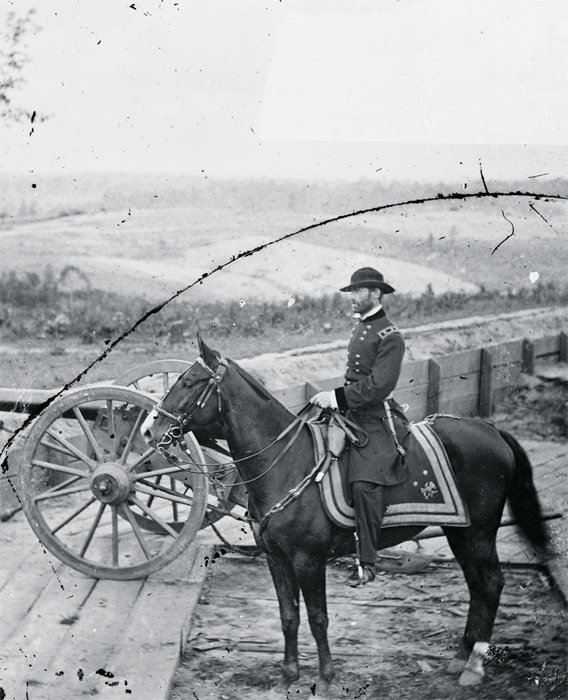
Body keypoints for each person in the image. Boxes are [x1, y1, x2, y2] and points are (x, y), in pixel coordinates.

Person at [310, 267, 409, 587]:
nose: (352, 298)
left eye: (357, 292)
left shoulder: (389, 335)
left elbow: (379, 386)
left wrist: (336, 397)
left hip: (375, 418)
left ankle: (367, 561)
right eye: (351, 292)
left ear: (376, 294)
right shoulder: (363, 327)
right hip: (352, 413)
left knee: (365, 486)